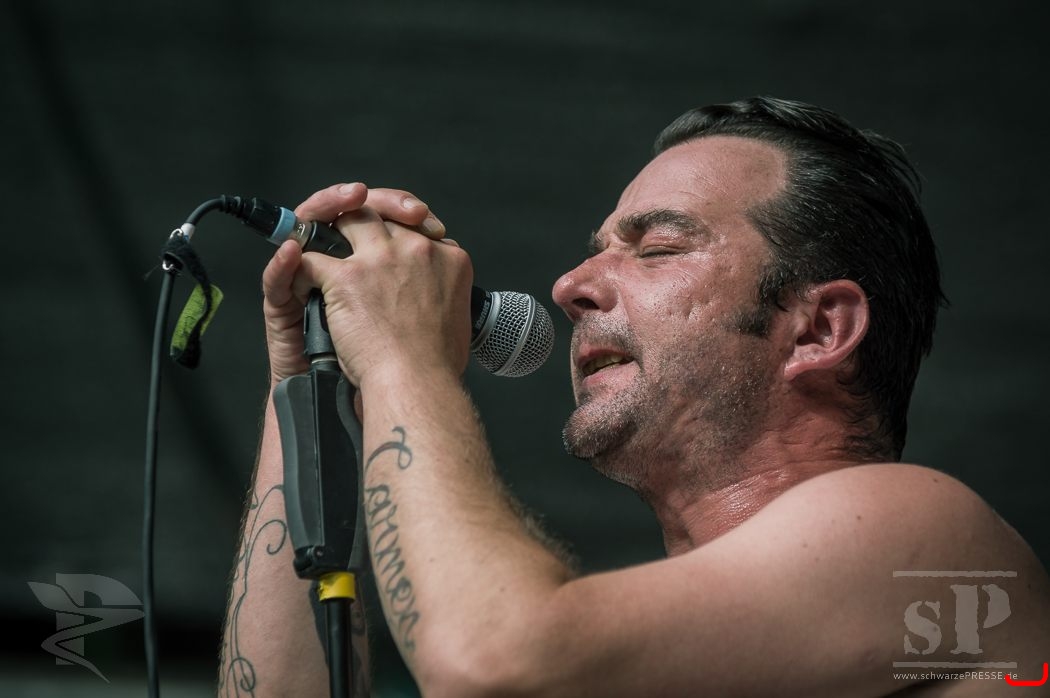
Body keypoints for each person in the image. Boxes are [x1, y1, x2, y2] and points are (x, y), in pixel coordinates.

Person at [218, 97, 1050, 697]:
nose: (570, 286)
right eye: (596, 251)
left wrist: (406, 358)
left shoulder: (925, 536)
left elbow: (492, 660)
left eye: (656, 248)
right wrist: (308, 385)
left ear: (819, 329)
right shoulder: (638, 654)